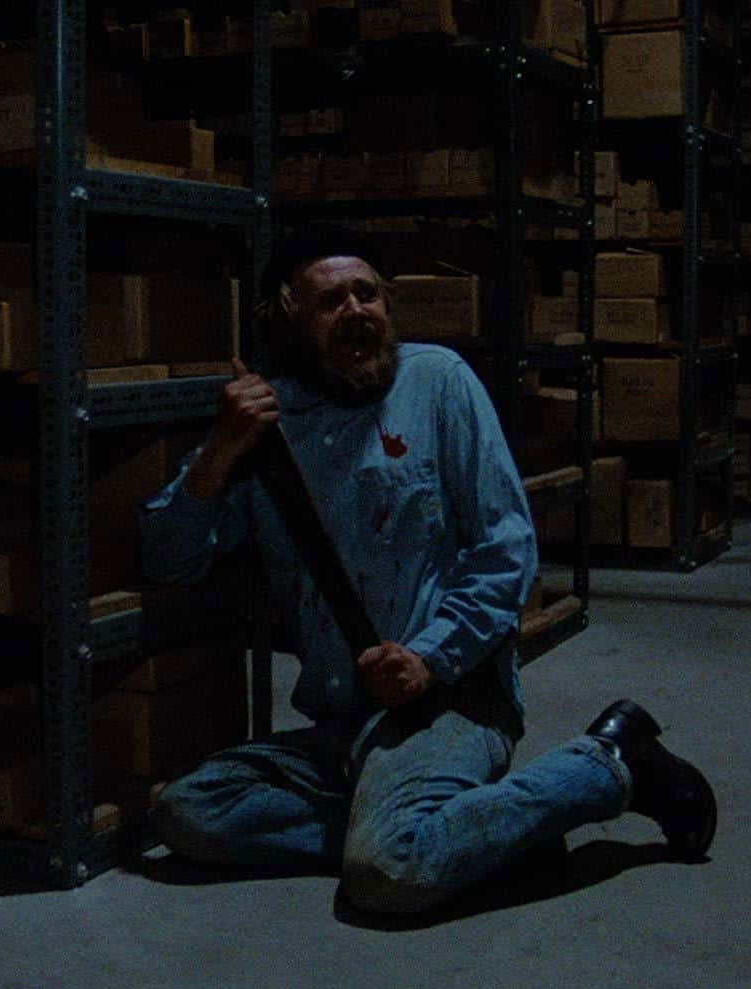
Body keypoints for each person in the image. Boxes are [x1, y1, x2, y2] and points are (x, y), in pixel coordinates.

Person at [139, 227, 716, 915]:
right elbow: (169, 558)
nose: (356, 311)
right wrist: (220, 448)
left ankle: (612, 764)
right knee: (187, 812)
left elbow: (505, 548)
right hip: (345, 718)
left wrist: (428, 657)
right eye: (330, 301)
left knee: (388, 870)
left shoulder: (437, 381)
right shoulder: (264, 422)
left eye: (367, 294)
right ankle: (479, 833)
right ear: (288, 320)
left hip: (448, 703)